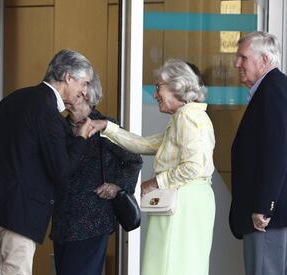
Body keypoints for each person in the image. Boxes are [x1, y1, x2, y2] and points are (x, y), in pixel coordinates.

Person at [0, 49, 94, 275]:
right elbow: (61, 171)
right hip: (20, 214)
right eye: (84, 83)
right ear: (68, 77)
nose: (85, 91)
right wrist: (81, 138)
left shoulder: (14, 98)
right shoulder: (49, 113)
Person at [90, 59, 216, 275]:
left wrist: (154, 183)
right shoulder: (187, 116)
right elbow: (144, 144)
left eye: (158, 87)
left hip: (182, 202)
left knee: (168, 267)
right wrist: (107, 127)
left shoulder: (186, 117)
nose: (155, 94)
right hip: (190, 200)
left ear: (177, 85)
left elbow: (194, 166)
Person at [229, 31, 287, 275]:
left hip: (271, 215)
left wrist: (264, 206)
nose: (237, 64)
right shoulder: (280, 89)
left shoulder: (272, 92)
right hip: (285, 210)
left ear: (264, 60)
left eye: (243, 58)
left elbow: (275, 154)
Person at [50, 74, 143, 275]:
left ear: (85, 94)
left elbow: (134, 160)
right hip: (62, 221)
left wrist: (117, 185)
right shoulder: (59, 127)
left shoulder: (105, 126)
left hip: (93, 220)